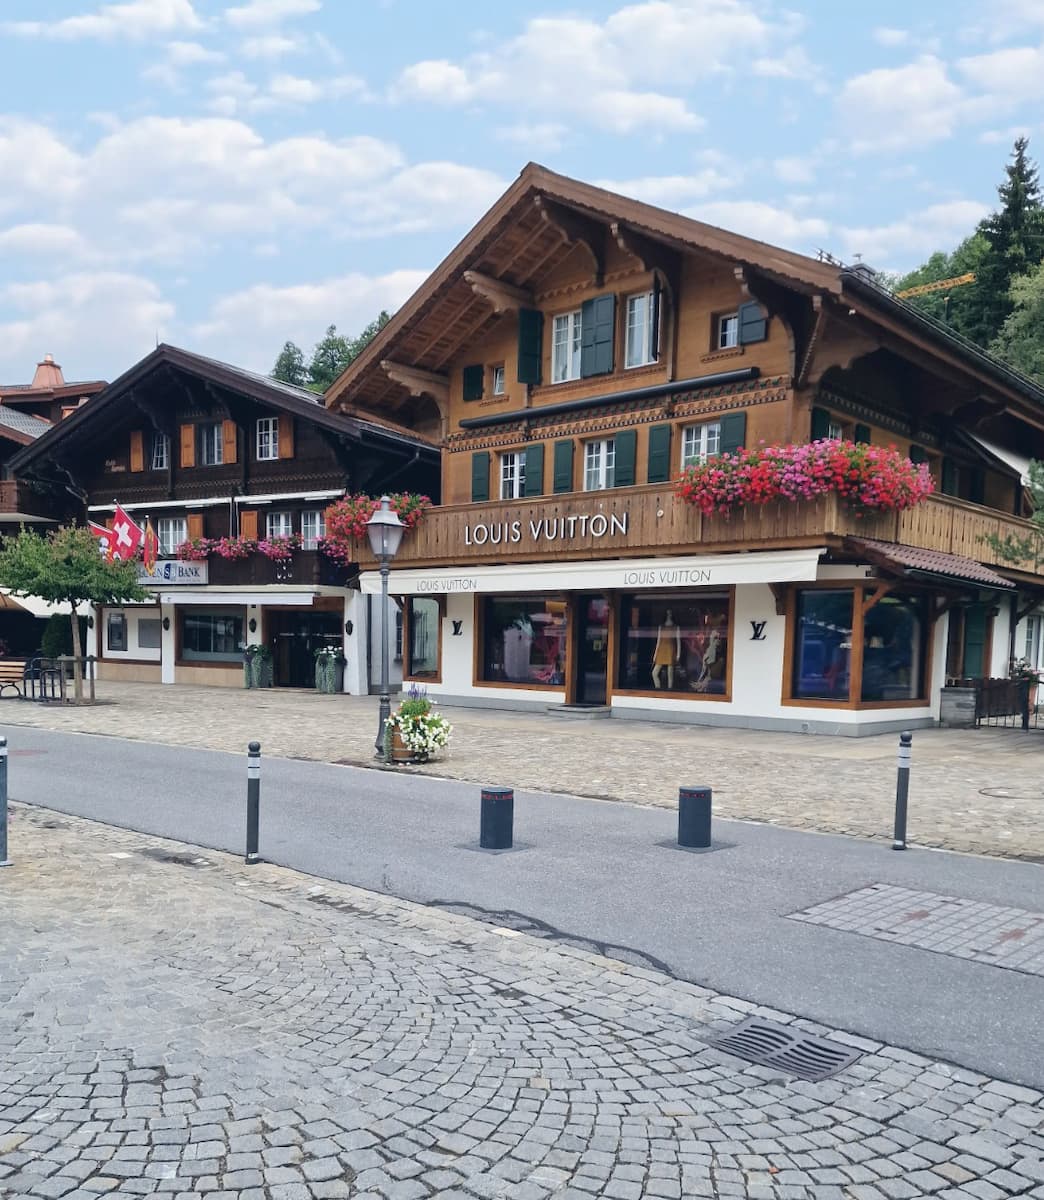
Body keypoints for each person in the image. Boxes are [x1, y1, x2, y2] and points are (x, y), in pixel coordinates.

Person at [652, 609, 681, 689]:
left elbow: (678, 641)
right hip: (661, 650)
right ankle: (658, 689)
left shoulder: (676, 627)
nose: (669, 614)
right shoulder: (661, 627)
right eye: (668, 613)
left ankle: (669, 691)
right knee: (654, 673)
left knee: (670, 674)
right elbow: (658, 641)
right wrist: (655, 655)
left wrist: (678, 654)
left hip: (671, 650)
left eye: (671, 613)